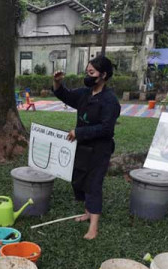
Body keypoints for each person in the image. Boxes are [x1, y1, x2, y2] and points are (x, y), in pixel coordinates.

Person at [52, 56, 121, 240]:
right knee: (80, 179)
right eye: (87, 72)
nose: (88, 76)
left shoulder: (110, 101)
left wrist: (79, 132)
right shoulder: (85, 93)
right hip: (83, 147)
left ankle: (94, 227)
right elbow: (65, 95)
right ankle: (88, 212)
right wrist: (57, 83)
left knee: (94, 184)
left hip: (100, 149)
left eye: (92, 73)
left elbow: (106, 129)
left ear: (103, 75)